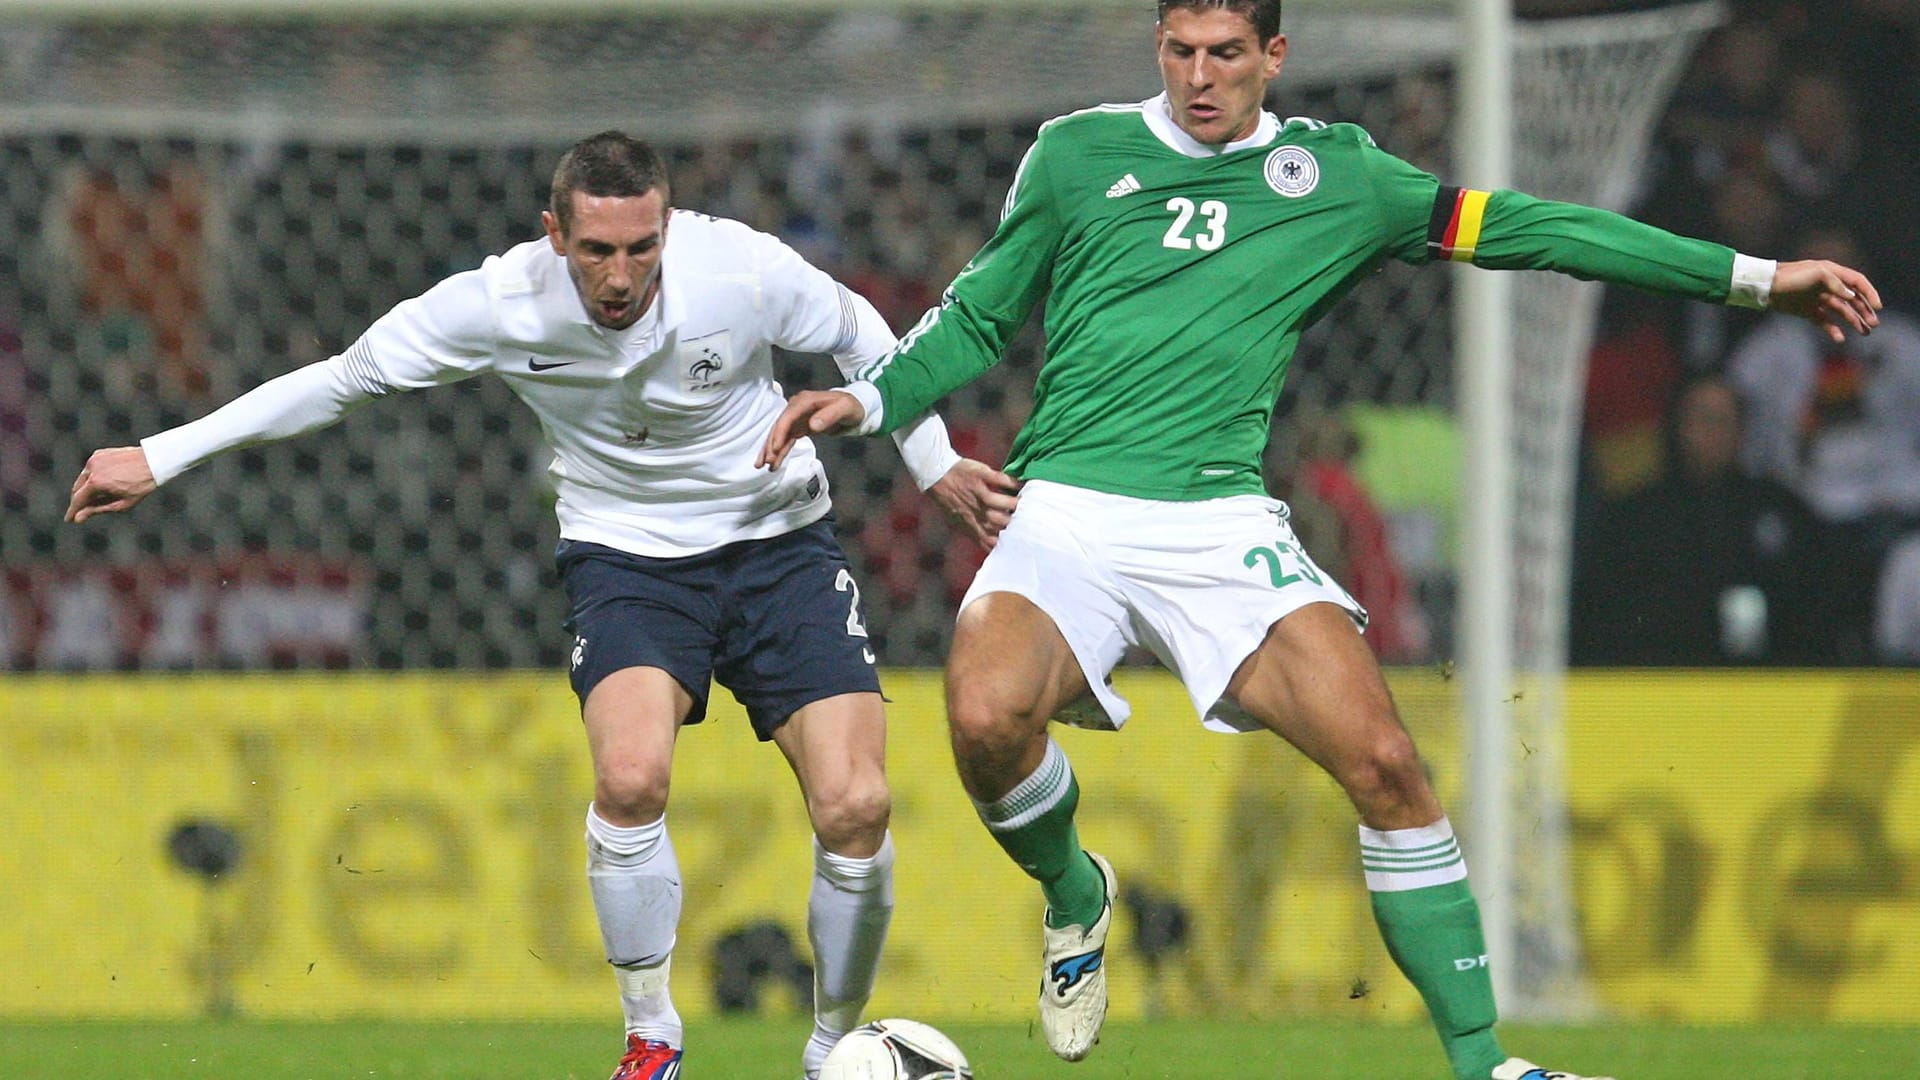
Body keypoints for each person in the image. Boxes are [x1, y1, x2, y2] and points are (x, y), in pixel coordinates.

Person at [758, 4, 1882, 1079]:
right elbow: (977, 315)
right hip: (1070, 512)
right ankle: (1075, 898)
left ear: (1275, 54)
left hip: (1218, 521)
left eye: (1226, 53)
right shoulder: (1074, 154)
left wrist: (1753, 281)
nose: (1199, 77)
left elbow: (1539, 231)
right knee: (982, 718)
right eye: (1180, 50)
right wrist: (866, 403)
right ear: (1159, 45)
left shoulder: (1339, 178)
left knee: (1388, 765)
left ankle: (1488, 1063)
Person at [65, 131, 1020, 1080]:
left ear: (668, 227)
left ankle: (831, 1049)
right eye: (598, 250)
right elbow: (341, 380)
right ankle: (652, 1039)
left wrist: (931, 462)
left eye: (642, 248)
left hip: (779, 545)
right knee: (633, 778)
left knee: (857, 805)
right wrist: (161, 454)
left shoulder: (737, 268)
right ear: (553, 235)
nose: (622, 275)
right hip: (629, 562)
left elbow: (863, 331)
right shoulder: (498, 303)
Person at [1571, 374, 1837, 665]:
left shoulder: (1779, 510)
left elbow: (1816, 613)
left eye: (1725, 420)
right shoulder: (1635, 516)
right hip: (1661, 686)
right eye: (1704, 419)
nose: (1715, 432)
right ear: (1678, 426)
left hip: (1764, 689)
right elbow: (1606, 619)